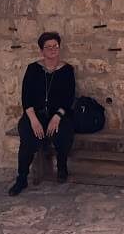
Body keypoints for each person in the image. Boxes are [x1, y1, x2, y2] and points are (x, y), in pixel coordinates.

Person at [8, 32, 76, 196]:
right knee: (27, 138)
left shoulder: (67, 70)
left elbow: (69, 97)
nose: (53, 50)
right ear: (41, 50)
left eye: (55, 46)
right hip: (35, 114)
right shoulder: (33, 69)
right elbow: (26, 97)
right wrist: (33, 120)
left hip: (58, 114)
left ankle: (61, 166)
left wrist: (57, 117)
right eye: (48, 47)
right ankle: (22, 178)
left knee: (64, 132)